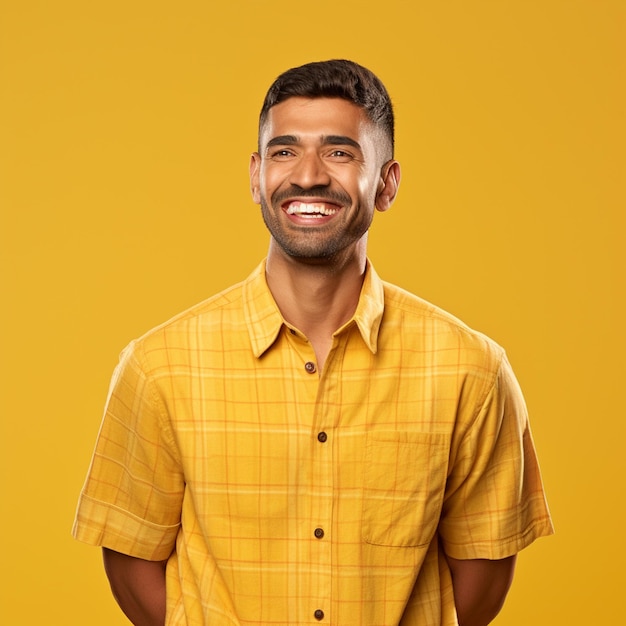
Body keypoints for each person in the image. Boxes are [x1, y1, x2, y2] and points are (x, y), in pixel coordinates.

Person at [73, 59, 553, 626]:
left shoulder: (471, 369)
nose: (307, 176)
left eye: (339, 152)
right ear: (256, 176)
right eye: (284, 151)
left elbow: (482, 574)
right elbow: (131, 560)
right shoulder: (160, 367)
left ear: (387, 183)